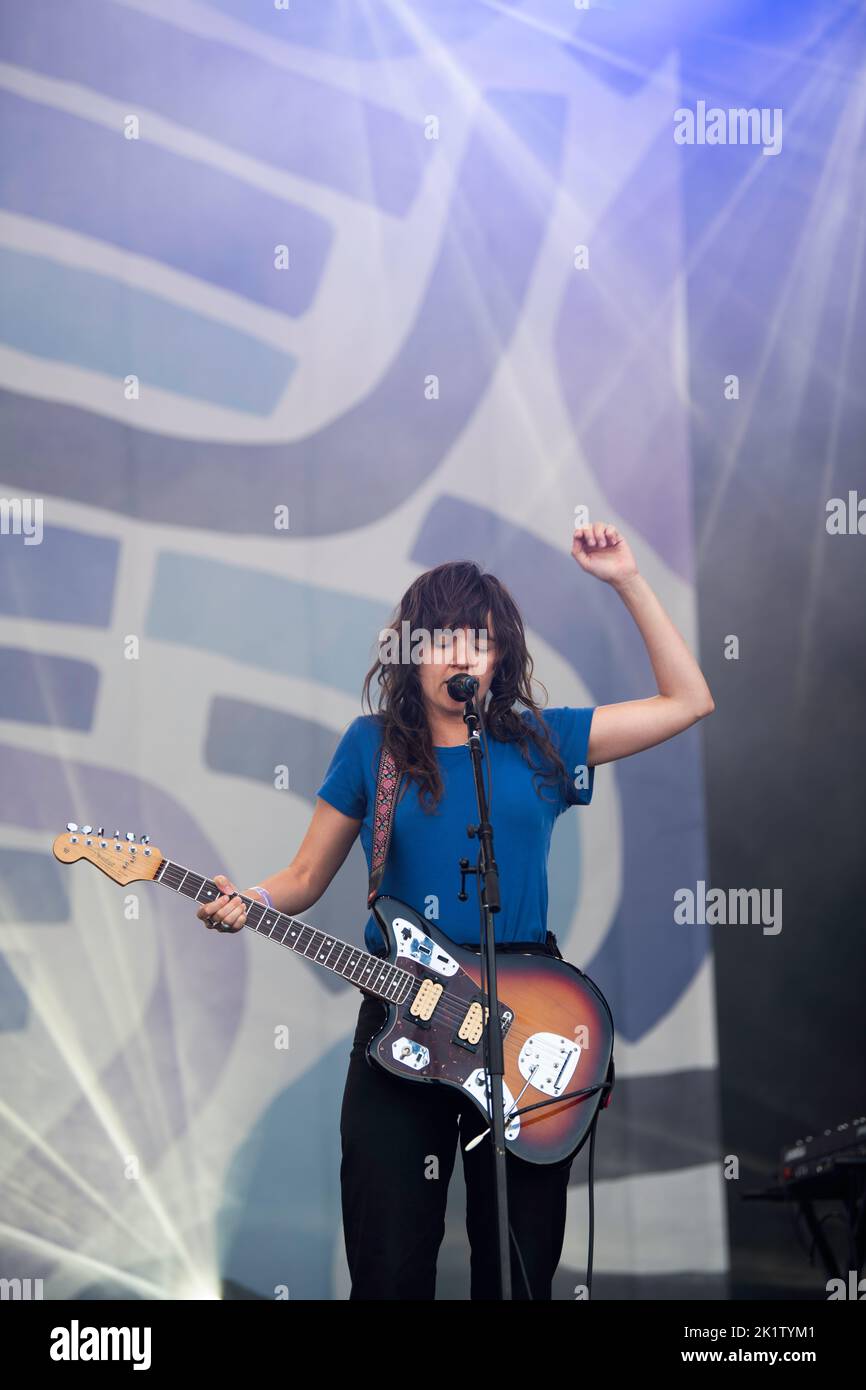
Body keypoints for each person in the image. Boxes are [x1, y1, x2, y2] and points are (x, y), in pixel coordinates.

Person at [196, 522, 715, 1299]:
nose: (459, 654)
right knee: (390, 1266)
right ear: (412, 651)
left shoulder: (545, 742)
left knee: (514, 1274)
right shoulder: (371, 747)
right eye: (440, 638)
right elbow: (305, 875)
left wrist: (628, 580)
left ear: (499, 655)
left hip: (526, 1028)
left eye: (477, 639)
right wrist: (254, 900)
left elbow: (689, 701)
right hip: (401, 1025)